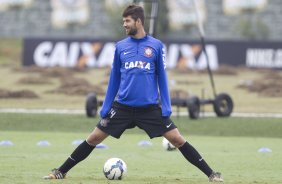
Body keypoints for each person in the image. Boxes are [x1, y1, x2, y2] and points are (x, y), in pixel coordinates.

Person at [43, 4, 223, 182]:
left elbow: (162, 78)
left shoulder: (156, 46)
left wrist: (166, 105)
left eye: (127, 21)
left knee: (177, 139)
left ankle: (211, 174)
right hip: (122, 107)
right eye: (123, 21)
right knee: (94, 137)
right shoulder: (120, 47)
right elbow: (114, 79)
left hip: (149, 108)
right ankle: (60, 171)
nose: (124, 24)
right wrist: (106, 105)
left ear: (138, 21)